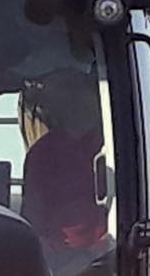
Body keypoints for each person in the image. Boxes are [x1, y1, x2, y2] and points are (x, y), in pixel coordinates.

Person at [18, 69, 108, 248]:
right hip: (64, 257)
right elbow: (33, 224)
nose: (71, 104)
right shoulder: (43, 154)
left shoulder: (125, 142)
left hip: (121, 248)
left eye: (76, 95)